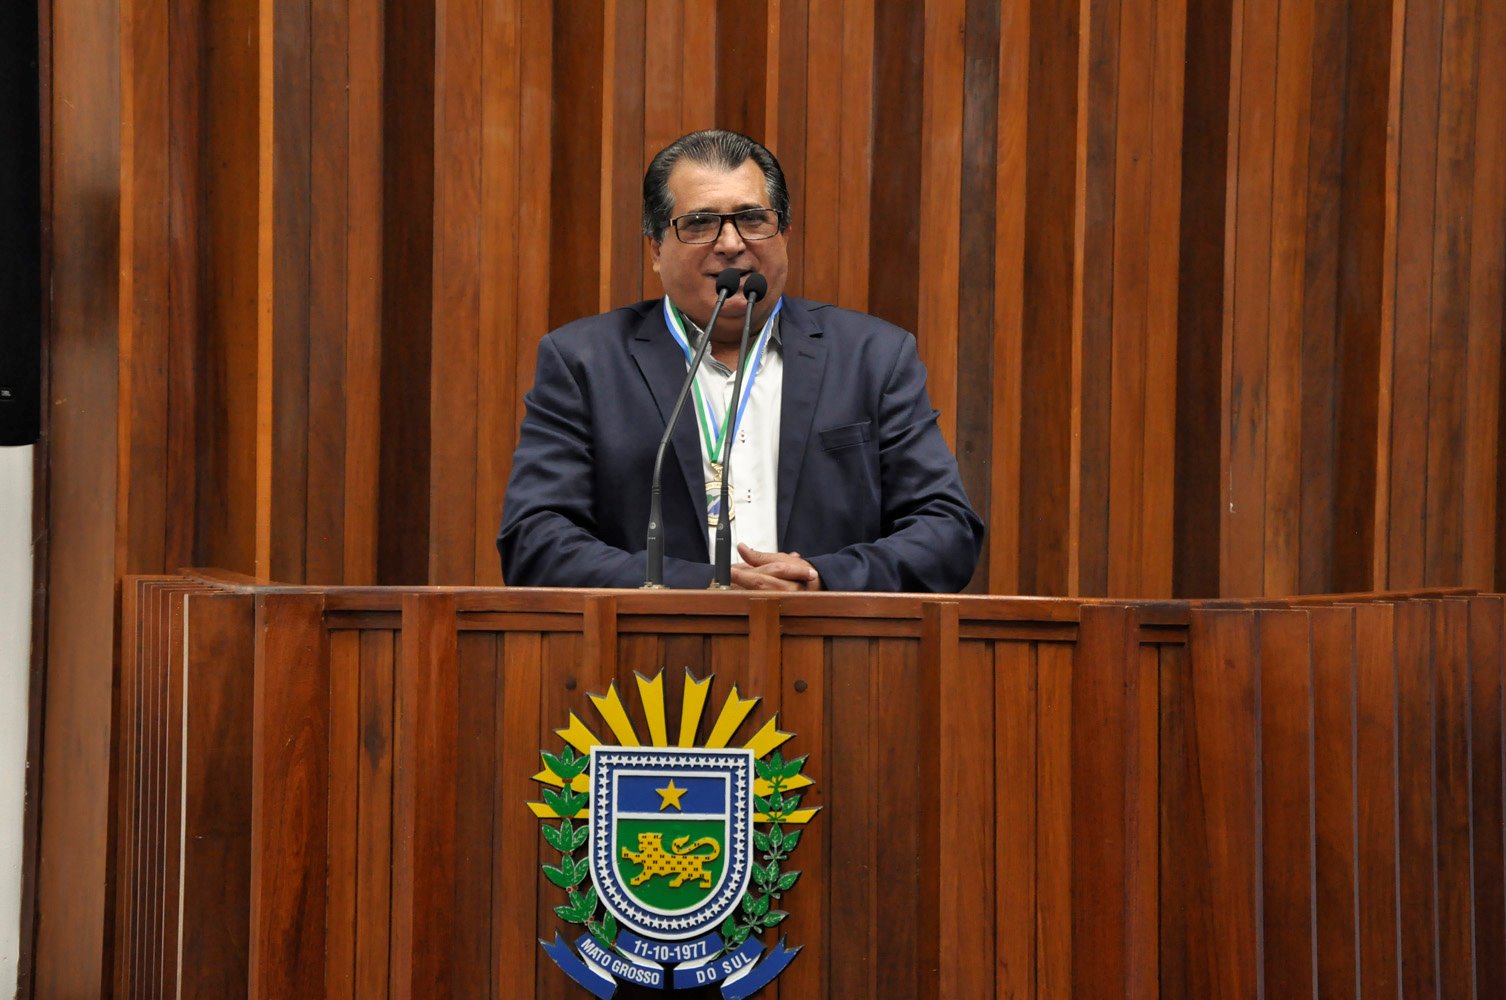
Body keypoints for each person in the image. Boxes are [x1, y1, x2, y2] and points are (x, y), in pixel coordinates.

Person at [499, 129, 983, 592]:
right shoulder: (586, 363)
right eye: (699, 223)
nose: (731, 243)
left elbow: (946, 530)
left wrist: (822, 578)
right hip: (657, 647)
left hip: (827, 641)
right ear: (656, 249)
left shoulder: (871, 357)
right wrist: (702, 587)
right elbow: (535, 540)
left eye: (752, 219)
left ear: (784, 234)